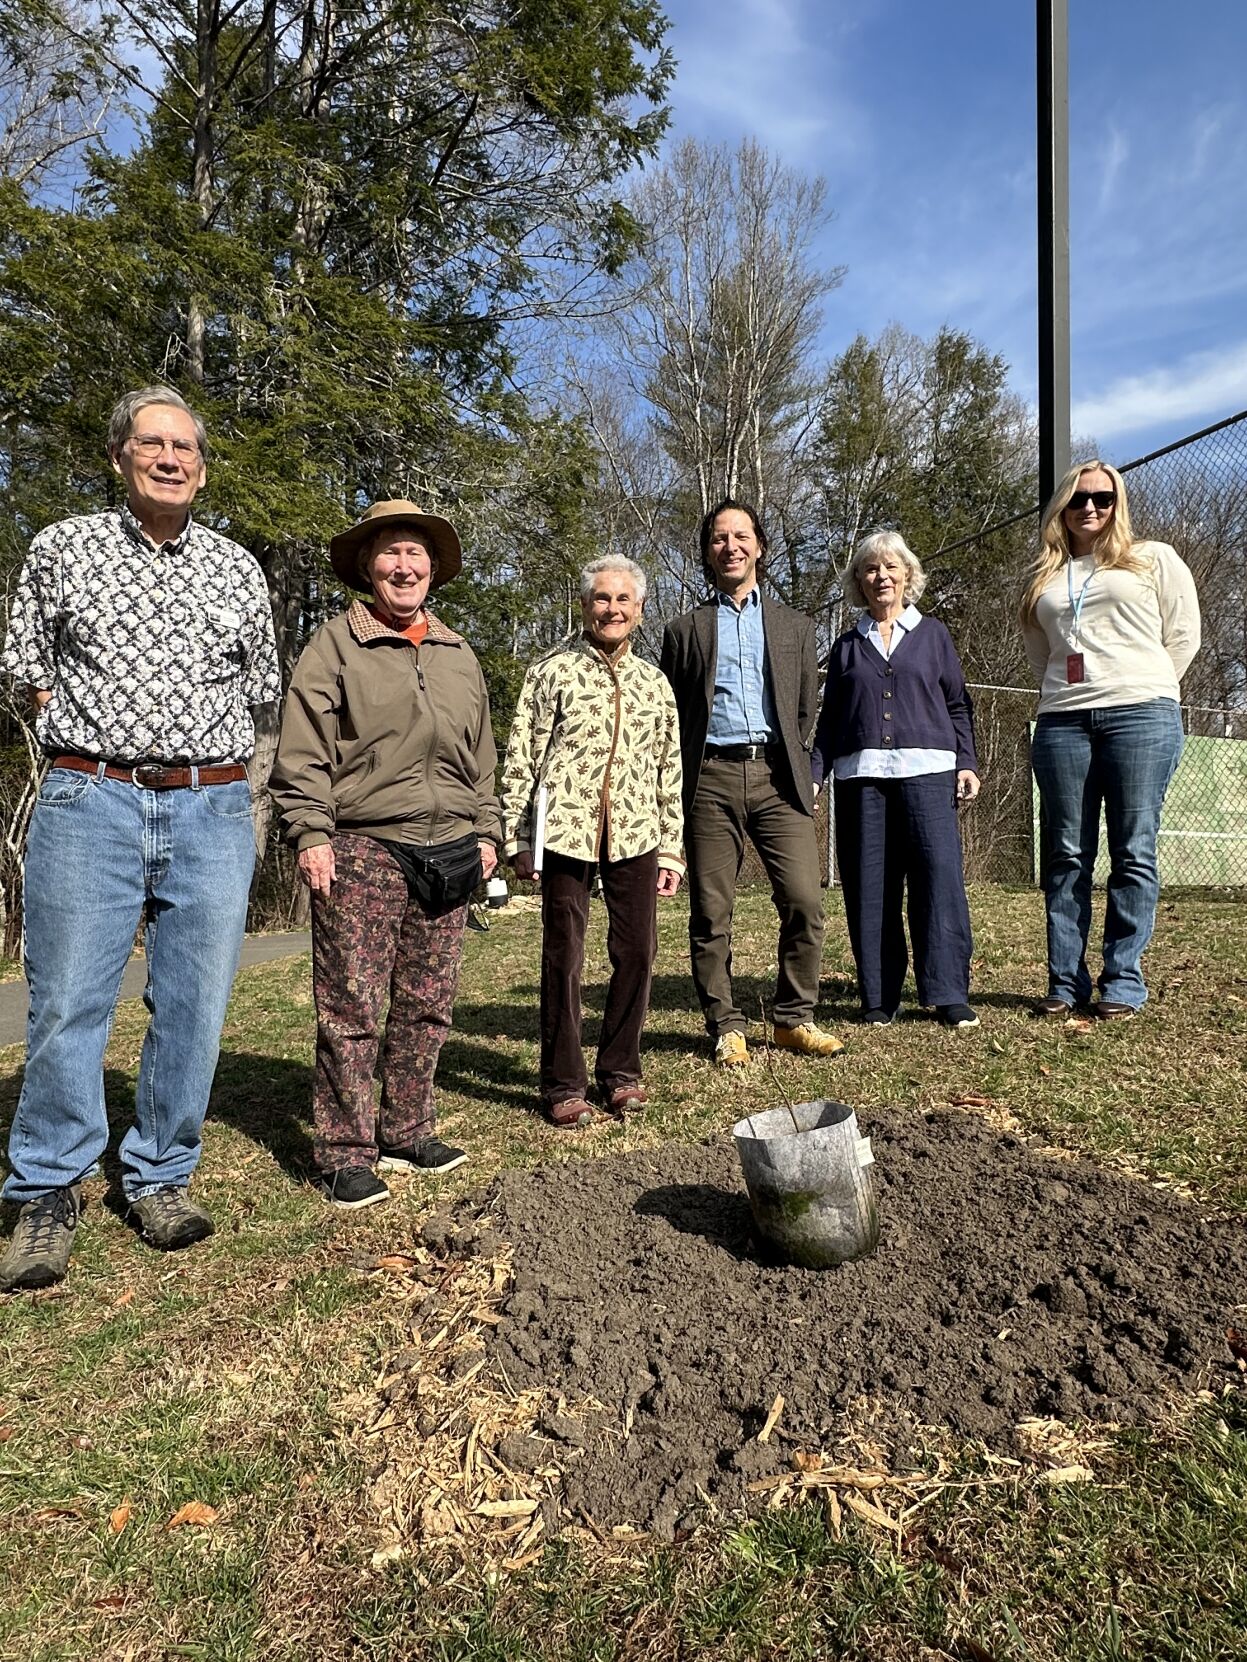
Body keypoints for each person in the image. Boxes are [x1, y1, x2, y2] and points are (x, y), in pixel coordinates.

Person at [0, 386, 280, 1292]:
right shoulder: (64, 547)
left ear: (202, 466)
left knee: (194, 1003)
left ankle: (160, 1173)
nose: (169, 458)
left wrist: (233, 789)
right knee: (66, 1001)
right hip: (92, 798)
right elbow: (23, 664)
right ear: (119, 456)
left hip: (211, 805)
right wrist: (83, 736)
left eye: (183, 446)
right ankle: (47, 1188)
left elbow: (261, 687)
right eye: (151, 444)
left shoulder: (237, 568)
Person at [269, 501, 501, 1207]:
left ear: (433, 569)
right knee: (352, 1005)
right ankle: (345, 1151)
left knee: (429, 1002)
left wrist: (487, 831)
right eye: (391, 553)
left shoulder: (458, 653)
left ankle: (408, 1129)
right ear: (369, 567)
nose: (404, 566)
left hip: (450, 849)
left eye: (415, 554)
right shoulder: (334, 645)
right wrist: (311, 833)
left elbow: (481, 758)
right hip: (363, 846)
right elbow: (302, 751)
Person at [660, 499, 843, 1067]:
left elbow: (805, 708)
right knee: (711, 911)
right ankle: (725, 1023)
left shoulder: (796, 627)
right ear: (707, 552)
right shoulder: (684, 630)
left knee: (805, 900)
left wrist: (796, 762)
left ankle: (793, 1018)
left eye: (741, 536)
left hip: (778, 778)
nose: (730, 546)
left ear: (760, 546)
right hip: (709, 779)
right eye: (719, 538)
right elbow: (673, 713)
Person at [502, 558, 684, 1128]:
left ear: (640, 609)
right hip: (565, 832)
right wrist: (518, 836)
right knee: (565, 955)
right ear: (584, 607)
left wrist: (671, 846)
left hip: (637, 832)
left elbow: (669, 769)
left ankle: (621, 1071)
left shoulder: (655, 684)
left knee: (638, 952)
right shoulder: (550, 673)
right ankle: (563, 1083)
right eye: (602, 599)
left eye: (623, 599)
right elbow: (522, 756)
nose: (612, 609)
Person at [1022, 461, 1200, 1020]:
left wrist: (1144, 686)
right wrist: (1072, 694)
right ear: (1062, 508)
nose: (1090, 508)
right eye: (1078, 499)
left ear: (1118, 503)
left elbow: (1184, 635)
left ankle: (1122, 980)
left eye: (1103, 497)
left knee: (1133, 850)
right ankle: (1064, 982)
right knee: (1065, 854)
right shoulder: (1044, 578)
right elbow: (1041, 656)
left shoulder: (1153, 558)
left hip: (1141, 715)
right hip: (1063, 722)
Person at [811, 531, 980, 1028]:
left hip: (929, 775)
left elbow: (957, 704)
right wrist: (816, 774)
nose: (881, 576)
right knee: (870, 886)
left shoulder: (934, 635)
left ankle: (947, 992)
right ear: (858, 581)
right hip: (861, 780)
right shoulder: (846, 647)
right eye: (870, 569)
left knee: (938, 881)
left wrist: (966, 761)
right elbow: (831, 720)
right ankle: (880, 996)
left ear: (908, 575)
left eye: (890, 567)